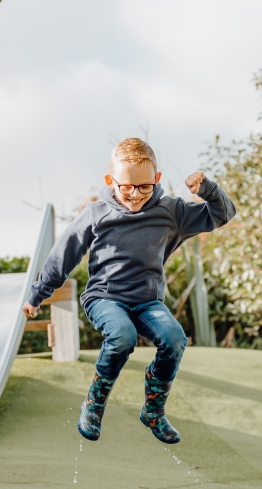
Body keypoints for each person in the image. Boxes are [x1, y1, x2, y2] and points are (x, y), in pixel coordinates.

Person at [22, 138, 236, 444]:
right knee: (122, 336)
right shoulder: (97, 214)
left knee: (175, 339)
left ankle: (153, 410)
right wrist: (38, 294)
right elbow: (63, 254)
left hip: (147, 303)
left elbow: (222, 214)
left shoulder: (170, 212)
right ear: (111, 181)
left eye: (144, 187)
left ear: (156, 180)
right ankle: (94, 404)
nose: (135, 195)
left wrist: (208, 190)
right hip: (105, 298)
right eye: (126, 187)